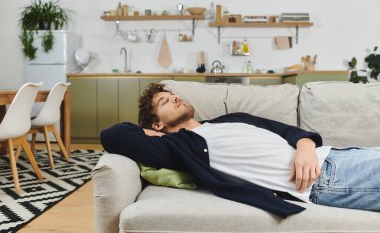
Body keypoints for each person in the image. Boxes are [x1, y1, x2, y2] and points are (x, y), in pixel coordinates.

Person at [101, 83, 380, 218]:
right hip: (323, 181)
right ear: (157, 123)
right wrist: (152, 133)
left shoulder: (232, 118)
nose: (176, 97)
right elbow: (113, 136)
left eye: (173, 94)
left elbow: (290, 132)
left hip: (335, 156)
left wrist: (305, 147)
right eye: (165, 100)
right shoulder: (181, 147)